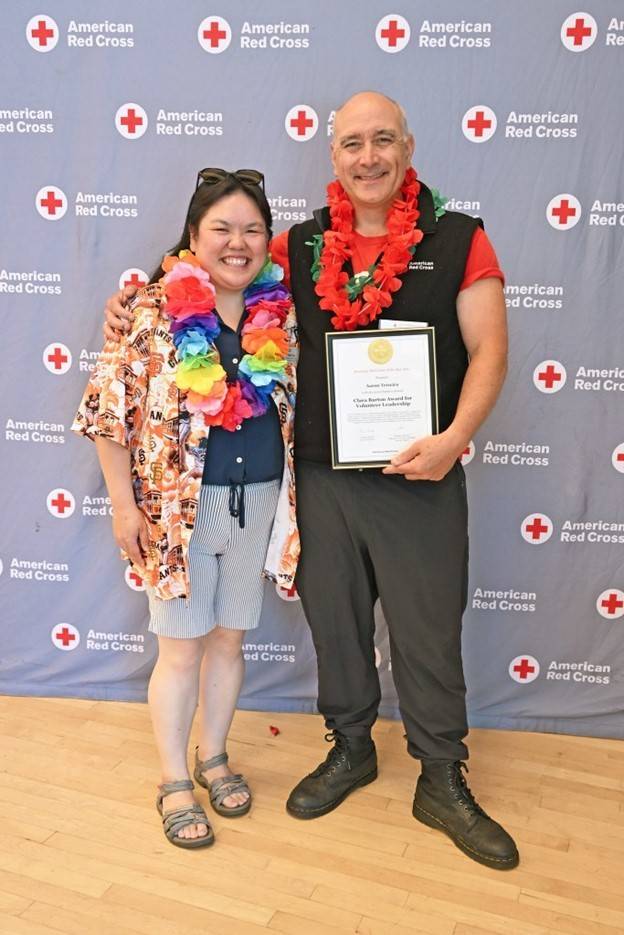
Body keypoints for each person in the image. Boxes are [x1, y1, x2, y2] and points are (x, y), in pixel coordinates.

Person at [103, 92, 518, 870]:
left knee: (428, 630)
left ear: (408, 146)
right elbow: (211, 266)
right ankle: (351, 746)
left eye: (383, 140)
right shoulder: (299, 245)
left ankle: (441, 776)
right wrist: (132, 303)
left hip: (422, 475)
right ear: (333, 156)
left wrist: (456, 438)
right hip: (320, 478)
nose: (369, 156)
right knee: (335, 622)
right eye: (352, 143)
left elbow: (491, 349)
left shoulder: (462, 238)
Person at [74, 169, 298, 849]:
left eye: (252, 229)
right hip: (179, 509)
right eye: (221, 229)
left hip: (258, 501)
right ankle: (174, 779)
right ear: (193, 238)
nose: (238, 242)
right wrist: (123, 508)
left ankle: (215, 755)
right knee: (178, 650)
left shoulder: (282, 313)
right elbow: (108, 414)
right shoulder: (150, 310)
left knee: (229, 640)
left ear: (268, 240)